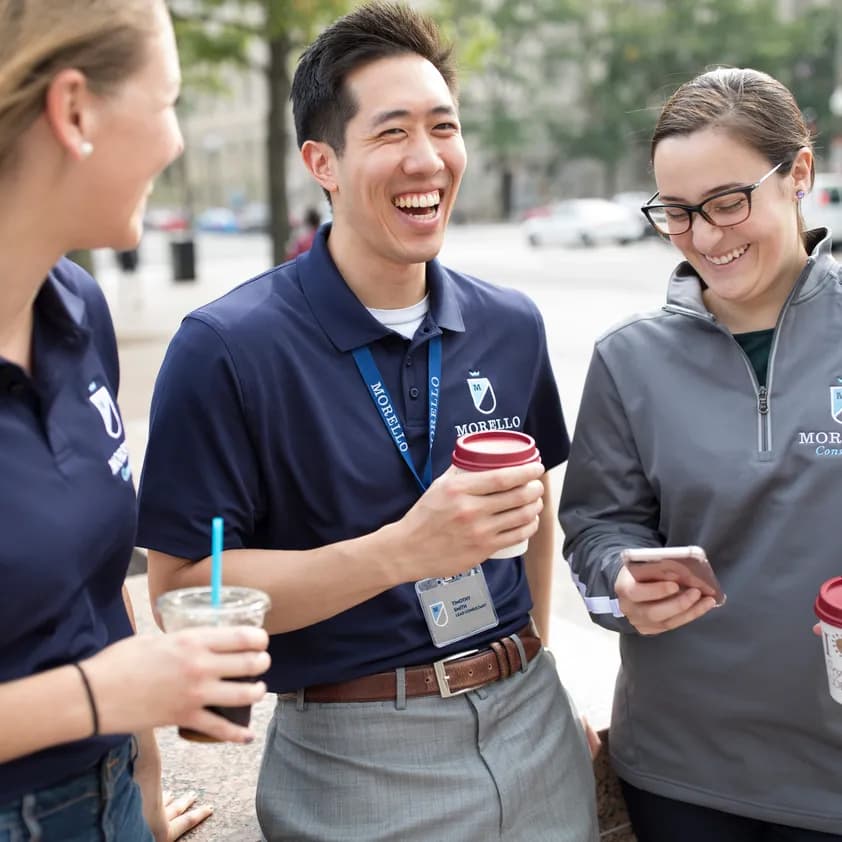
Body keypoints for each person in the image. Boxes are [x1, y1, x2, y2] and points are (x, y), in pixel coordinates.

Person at [136, 3, 598, 840]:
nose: (427, 159)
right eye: (391, 133)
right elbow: (179, 593)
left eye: (443, 126)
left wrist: (535, 661)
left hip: (534, 727)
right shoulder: (226, 349)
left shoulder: (511, 323)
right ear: (325, 162)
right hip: (354, 756)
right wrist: (403, 552)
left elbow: (534, 515)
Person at [0, 2, 271, 840]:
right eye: (168, 102)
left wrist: (144, 799)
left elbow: (96, 597)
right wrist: (100, 694)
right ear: (76, 110)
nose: (177, 140)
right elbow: (110, 672)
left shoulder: (77, 307)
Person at [559, 67, 842, 841]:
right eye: (677, 213)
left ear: (800, 175)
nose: (706, 236)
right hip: (683, 775)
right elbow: (593, 530)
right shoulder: (628, 360)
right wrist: (620, 576)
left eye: (727, 202)